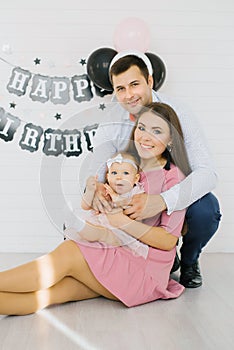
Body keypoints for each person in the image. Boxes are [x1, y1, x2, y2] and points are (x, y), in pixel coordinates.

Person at [0, 102, 189, 315]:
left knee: (69, 253)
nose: (145, 137)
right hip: (117, 252)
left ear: (171, 139)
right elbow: (95, 198)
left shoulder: (174, 179)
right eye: (142, 128)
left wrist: (123, 222)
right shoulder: (124, 165)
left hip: (144, 271)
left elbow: (168, 241)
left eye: (157, 131)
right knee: (52, 294)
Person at [87, 51, 222, 288]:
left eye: (134, 84)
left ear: (149, 81)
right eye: (120, 89)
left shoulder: (179, 113)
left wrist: (162, 200)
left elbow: (207, 173)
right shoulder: (111, 119)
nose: (128, 95)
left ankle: (189, 260)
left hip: (173, 189)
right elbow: (97, 160)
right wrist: (96, 186)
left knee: (206, 210)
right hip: (135, 189)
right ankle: (141, 259)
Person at [64, 151, 149, 258]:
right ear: (108, 176)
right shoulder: (105, 190)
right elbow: (85, 206)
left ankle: (78, 225)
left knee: (97, 232)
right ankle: (76, 224)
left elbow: (132, 211)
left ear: (136, 179)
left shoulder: (136, 194)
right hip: (99, 224)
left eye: (125, 173)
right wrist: (90, 191)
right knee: (87, 233)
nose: (119, 177)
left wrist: (116, 198)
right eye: (114, 173)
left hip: (120, 234)